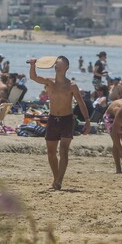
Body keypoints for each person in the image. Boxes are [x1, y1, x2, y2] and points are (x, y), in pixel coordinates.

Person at [29, 56, 90, 190]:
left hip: (67, 120)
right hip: (52, 119)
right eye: (55, 64)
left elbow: (81, 103)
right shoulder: (49, 82)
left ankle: (59, 181)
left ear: (66, 67)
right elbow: (34, 77)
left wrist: (87, 120)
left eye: (59, 64)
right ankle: (56, 179)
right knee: (51, 152)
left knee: (63, 151)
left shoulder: (72, 85)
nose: (56, 65)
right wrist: (33, 65)